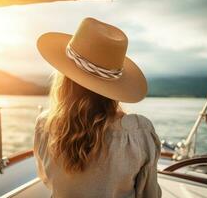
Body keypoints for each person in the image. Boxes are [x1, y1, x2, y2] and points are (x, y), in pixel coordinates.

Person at [34, 17, 162, 198]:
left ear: (64, 78)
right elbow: (149, 194)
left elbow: (47, 179)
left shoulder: (44, 124)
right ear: (115, 86)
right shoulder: (137, 131)